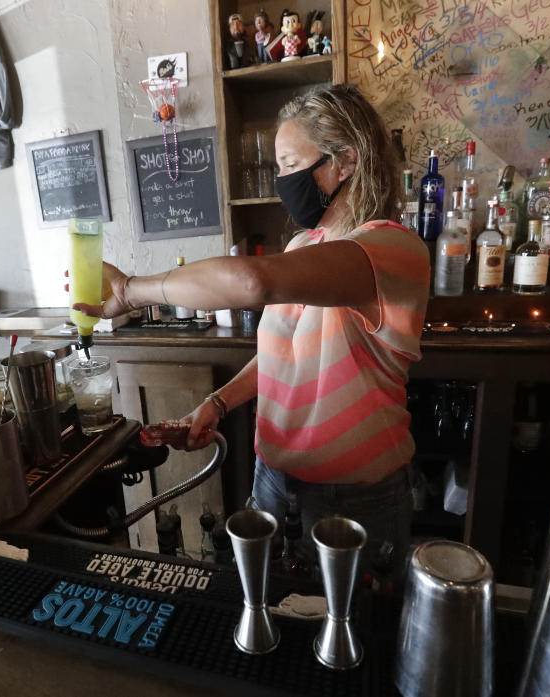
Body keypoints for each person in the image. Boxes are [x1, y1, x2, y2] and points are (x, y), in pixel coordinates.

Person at [75, 85, 429, 576]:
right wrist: (217, 402)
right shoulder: (307, 241)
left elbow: (249, 280)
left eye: (288, 163)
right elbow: (283, 352)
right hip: (274, 475)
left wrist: (134, 290)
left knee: (345, 637)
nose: (281, 179)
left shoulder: (391, 249)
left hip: (351, 496)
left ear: (344, 161)